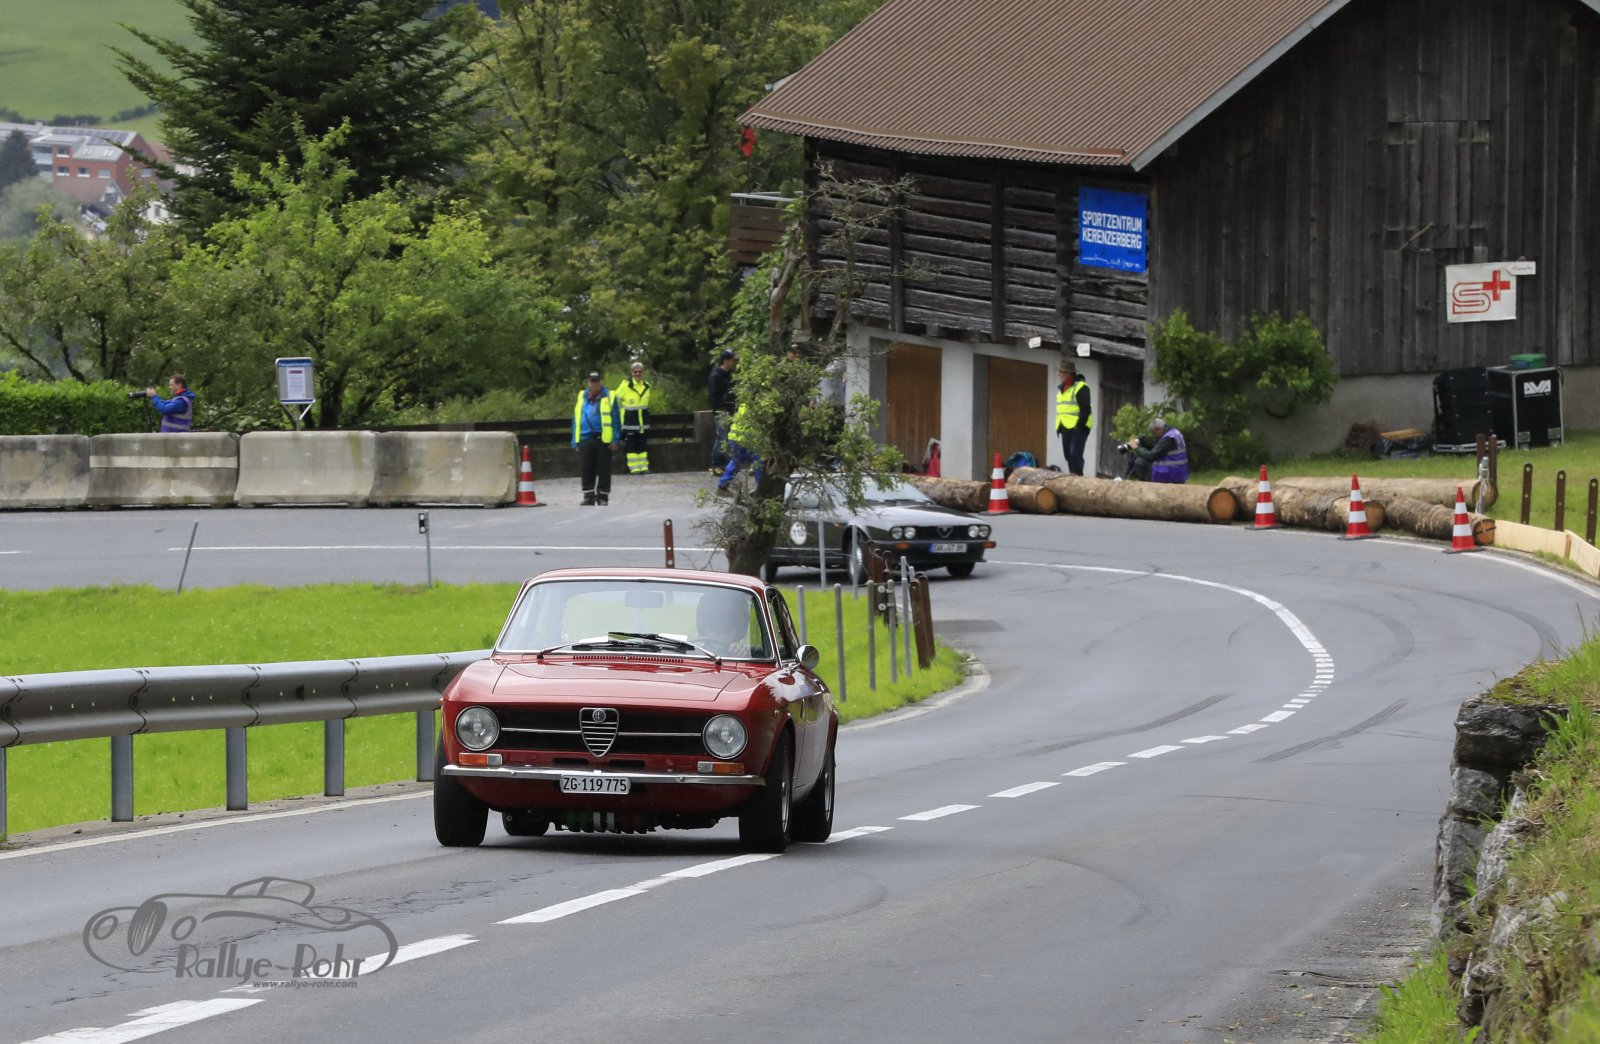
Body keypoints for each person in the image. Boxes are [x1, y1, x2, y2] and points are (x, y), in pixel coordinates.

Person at [571, 371, 620, 505]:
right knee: (586, 468)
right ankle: (588, 496)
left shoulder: (609, 396)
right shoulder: (582, 396)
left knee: (604, 469)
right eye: (592, 381)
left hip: (603, 439)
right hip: (585, 437)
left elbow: (616, 419)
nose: (595, 384)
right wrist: (575, 441)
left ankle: (603, 496)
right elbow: (576, 419)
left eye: (597, 381)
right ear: (588, 383)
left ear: (601, 382)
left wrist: (616, 439)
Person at [1124, 417, 1189, 483]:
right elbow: (1158, 449)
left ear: (1158, 429)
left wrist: (1136, 447)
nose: (1154, 436)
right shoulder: (1173, 432)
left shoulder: (1168, 438)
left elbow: (1151, 456)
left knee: (1140, 462)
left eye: (1154, 433)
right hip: (1177, 471)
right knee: (1141, 459)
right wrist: (1144, 443)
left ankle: (1147, 485)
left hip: (1170, 473)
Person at [716, 403, 762, 494]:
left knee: (738, 462)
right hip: (747, 439)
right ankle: (761, 489)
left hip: (738, 438)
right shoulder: (758, 404)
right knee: (758, 462)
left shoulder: (745, 403)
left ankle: (722, 486)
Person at [1055, 362, 1092, 476]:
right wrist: (1059, 426)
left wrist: (1078, 427)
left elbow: (1085, 410)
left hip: (1079, 426)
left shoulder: (1081, 387)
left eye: (1061, 372)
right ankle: (1073, 476)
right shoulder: (1062, 389)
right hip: (1065, 426)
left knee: (1075, 454)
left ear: (1069, 374)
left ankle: (1077, 478)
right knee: (1068, 455)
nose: (1059, 374)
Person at [616, 360, 652, 475]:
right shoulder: (625, 386)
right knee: (631, 446)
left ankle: (644, 467)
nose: (637, 374)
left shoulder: (647, 386)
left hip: (642, 423)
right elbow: (616, 402)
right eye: (635, 372)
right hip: (629, 423)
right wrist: (621, 416)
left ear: (643, 372)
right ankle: (634, 468)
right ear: (631, 372)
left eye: (639, 372)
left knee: (642, 446)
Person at [693, 590, 754, 657]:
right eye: (713, 618)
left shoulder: (743, 654)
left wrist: (740, 657)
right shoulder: (691, 652)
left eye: (729, 618)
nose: (720, 626)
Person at [707, 349, 737, 472]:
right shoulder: (716, 376)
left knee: (728, 438)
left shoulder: (729, 375)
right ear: (725, 361)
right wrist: (721, 408)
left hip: (730, 410)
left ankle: (724, 463)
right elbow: (713, 396)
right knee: (721, 438)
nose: (733, 363)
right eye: (732, 360)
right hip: (721, 411)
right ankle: (715, 464)